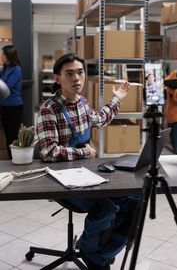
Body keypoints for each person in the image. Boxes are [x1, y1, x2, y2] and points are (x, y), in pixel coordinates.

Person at [36, 53, 139, 270]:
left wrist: (117, 98)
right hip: (61, 179)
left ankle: (102, 251)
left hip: (87, 173)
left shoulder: (82, 102)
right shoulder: (49, 109)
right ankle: (91, 253)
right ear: (57, 78)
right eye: (69, 74)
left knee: (132, 199)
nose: (76, 78)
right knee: (106, 208)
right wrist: (84, 153)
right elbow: (48, 152)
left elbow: (100, 119)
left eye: (80, 72)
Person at [0, 45, 23, 159]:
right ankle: (10, 159)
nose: (2, 56)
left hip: (14, 107)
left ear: (9, 55)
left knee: (13, 136)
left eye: (3, 54)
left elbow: (6, 87)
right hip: (4, 106)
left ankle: (15, 159)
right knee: (7, 135)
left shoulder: (16, 69)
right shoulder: (4, 68)